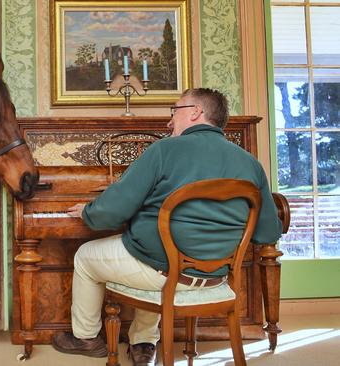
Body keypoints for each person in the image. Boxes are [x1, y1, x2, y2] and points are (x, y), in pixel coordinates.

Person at [51, 88, 283, 365]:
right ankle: (143, 343)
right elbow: (268, 232)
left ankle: (86, 337)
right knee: (154, 252)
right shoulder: (250, 163)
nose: (169, 121)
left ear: (196, 112)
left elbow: (113, 211)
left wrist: (89, 211)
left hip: (162, 272)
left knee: (88, 256)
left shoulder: (164, 150)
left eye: (174, 111)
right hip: (217, 277)